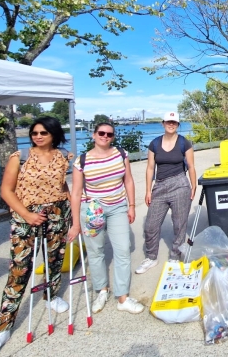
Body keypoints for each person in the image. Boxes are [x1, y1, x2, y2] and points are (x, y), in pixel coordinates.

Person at [0, 117, 72, 357]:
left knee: (54, 259)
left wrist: (74, 213)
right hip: (25, 217)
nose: (38, 136)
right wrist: (26, 215)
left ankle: (51, 295)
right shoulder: (19, 157)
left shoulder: (63, 156)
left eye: (44, 132)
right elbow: (6, 191)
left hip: (57, 213)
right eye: (35, 132)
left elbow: (64, 187)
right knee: (20, 269)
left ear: (54, 134)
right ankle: (3, 327)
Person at [68, 122, 144, 315]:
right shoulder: (82, 161)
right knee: (96, 251)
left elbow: (128, 180)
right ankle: (102, 290)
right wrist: (76, 223)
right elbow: (76, 193)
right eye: (101, 133)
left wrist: (132, 205)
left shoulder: (121, 154)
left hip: (117, 207)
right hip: (93, 210)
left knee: (123, 249)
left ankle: (122, 297)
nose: (105, 136)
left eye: (109, 134)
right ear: (93, 135)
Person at [135, 111, 197, 274]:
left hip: (180, 184)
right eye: (168, 122)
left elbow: (191, 166)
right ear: (163, 123)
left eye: (174, 122)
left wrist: (193, 186)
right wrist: (148, 190)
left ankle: (175, 256)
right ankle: (151, 257)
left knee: (179, 224)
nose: (171, 124)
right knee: (150, 225)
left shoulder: (185, 143)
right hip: (160, 186)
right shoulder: (154, 144)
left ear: (177, 125)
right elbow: (150, 168)